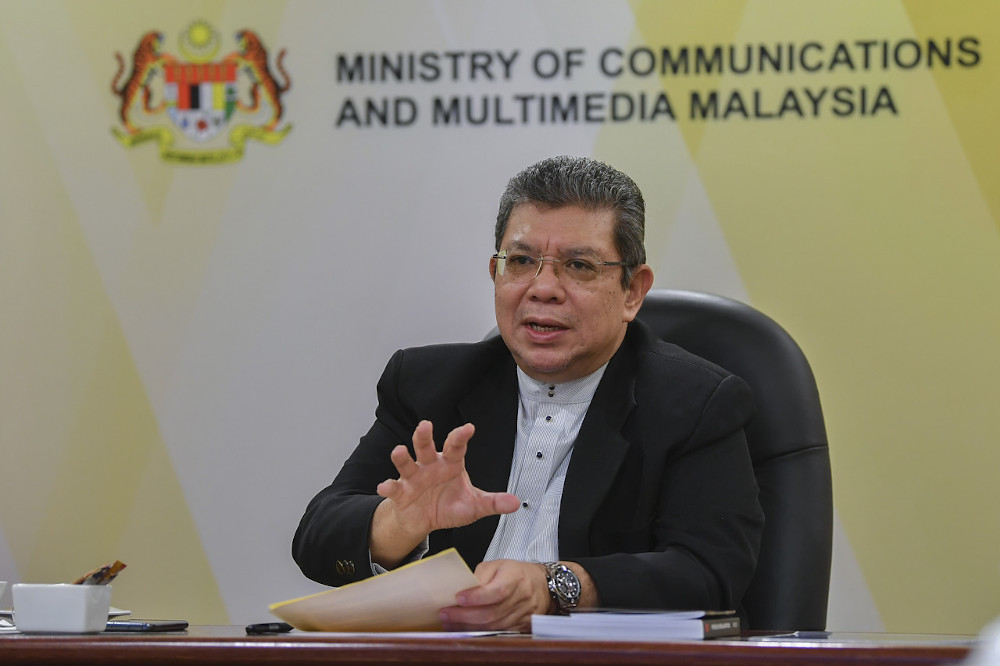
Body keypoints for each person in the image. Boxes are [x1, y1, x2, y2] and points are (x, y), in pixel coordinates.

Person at [292, 156, 763, 632]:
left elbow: (709, 572)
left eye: (578, 265)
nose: (543, 289)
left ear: (632, 293)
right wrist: (399, 524)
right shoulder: (428, 384)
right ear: (495, 273)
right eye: (520, 262)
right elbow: (316, 537)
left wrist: (557, 586)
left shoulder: (697, 403)